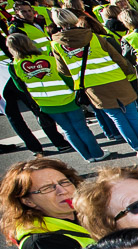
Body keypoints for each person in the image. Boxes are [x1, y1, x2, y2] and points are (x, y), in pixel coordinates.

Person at [49, 7, 138, 158]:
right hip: (116, 79)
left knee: (118, 118)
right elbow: (118, 58)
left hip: (93, 86)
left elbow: (63, 70)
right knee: (132, 114)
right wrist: (130, 73)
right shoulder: (93, 36)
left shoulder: (57, 45)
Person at [5, 34, 107, 162]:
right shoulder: (49, 59)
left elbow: (20, 88)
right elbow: (66, 77)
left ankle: (87, 157)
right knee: (81, 127)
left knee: (68, 130)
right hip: (67, 98)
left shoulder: (14, 66)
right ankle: (97, 154)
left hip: (46, 103)